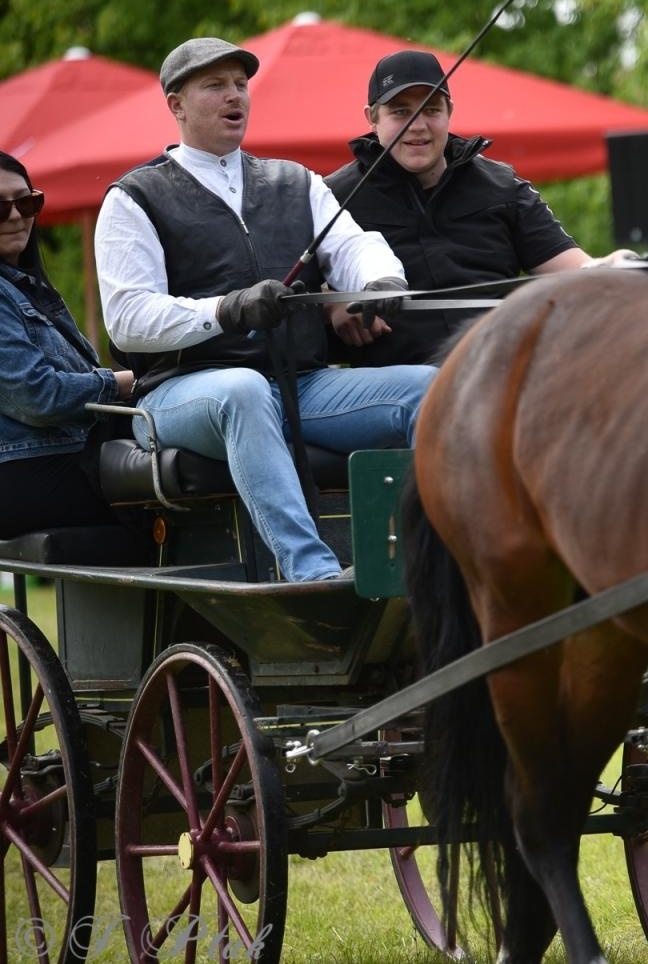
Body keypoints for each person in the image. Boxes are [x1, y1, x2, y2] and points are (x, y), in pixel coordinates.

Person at [95, 37, 435, 582]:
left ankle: (434, 561)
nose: (235, 96)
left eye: (241, 84)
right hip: (181, 393)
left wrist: (380, 281)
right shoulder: (134, 197)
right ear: (176, 104)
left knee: (430, 388)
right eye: (215, 85)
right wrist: (226, 310)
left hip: (302, 384)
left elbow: (354, 245)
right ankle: (312, 575)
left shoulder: (294, 181)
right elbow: (128, 318)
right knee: (244, 390)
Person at [324, 50, 631, 365]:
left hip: (504, 367)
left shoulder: (501, 184)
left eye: (431, 109)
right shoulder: (333, 197)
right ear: (372, 118)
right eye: (400, 112)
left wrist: (617, 266)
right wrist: (331, 305)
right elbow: (300, 278)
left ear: (450, 112)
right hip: (399, 383)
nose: (417, 125)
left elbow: (577, 270)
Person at [0, 151, 135, 538]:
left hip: (50, 462)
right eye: (0, 208)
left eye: (27, 202)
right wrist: (126, 382)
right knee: (180, 492)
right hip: (26, 472)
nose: (16, 216)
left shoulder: (26, 289)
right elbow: (38, 395)